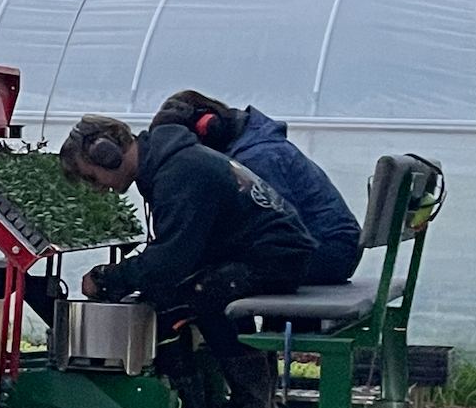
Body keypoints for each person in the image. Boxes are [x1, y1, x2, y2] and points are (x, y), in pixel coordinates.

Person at [60, 115, 315, 408]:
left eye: (91, 176)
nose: (98, 187)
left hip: (276, 259)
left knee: (199, 293)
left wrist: (109, 278)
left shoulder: (179, 174)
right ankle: (236, 399)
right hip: (268, 255)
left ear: (106, 154)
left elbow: (170, 262)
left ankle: (245, 405)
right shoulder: (173, 165)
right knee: (189, 289)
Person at [152, 90, 362, 285]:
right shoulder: (254, 146)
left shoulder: (256, 158)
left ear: (207, 129)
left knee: (216, 279)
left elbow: (283, 231)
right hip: (331, 246)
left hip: (328, 253)